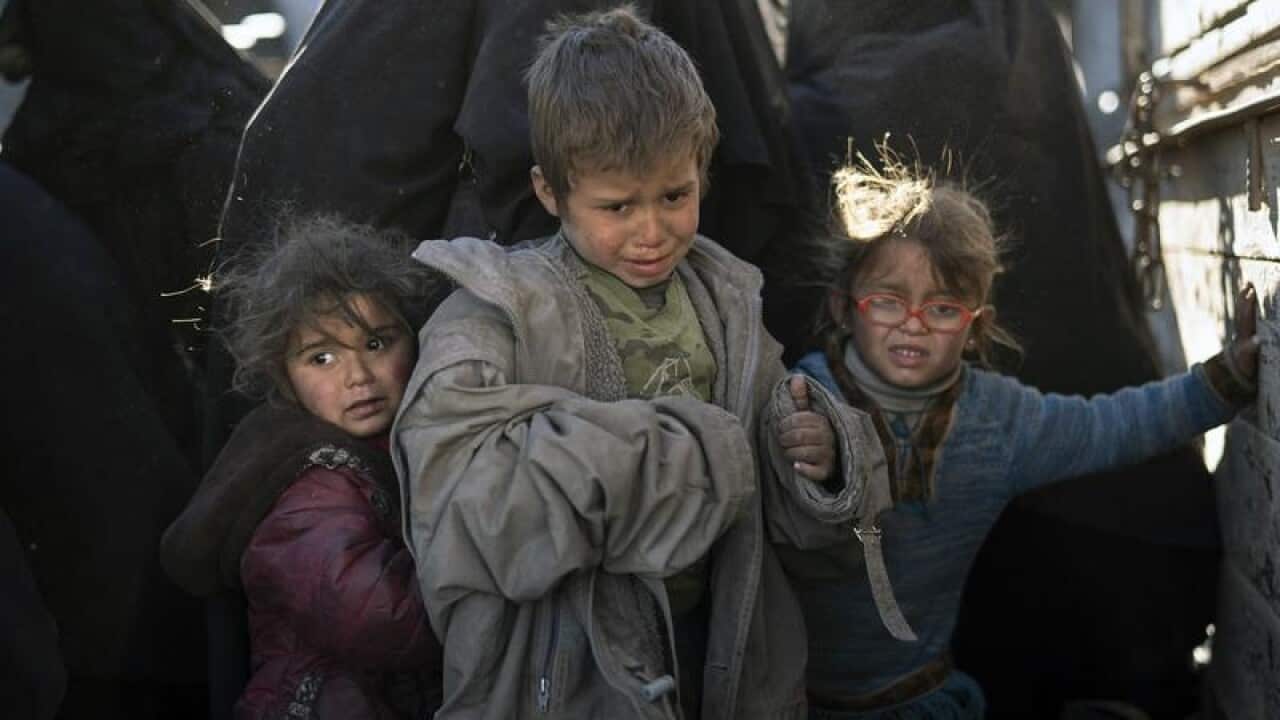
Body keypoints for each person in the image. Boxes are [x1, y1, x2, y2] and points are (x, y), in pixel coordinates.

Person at [392, 6, 891, 718]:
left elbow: (785, 509)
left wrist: (818, 457)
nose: (652, 231)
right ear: (549, 191)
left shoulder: (726, 300)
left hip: (715, 652)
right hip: (569, 679)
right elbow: (462, 513)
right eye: (618, 207)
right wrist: (684, 453)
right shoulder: (494, 316)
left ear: (702, 175)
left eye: (674, 196)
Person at [781, 152, 1260, 719]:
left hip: (921, 700)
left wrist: (1223, 381)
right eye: (887, 300)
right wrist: (807, 459)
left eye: (942, 308)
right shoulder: (801, 394)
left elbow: (1112, 425)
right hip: (785, 702)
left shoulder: (999, 421)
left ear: (975, 327)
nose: (913, 323)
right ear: (843, 307)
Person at [160, 216, 444, 720]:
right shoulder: (308, 491)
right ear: (282, 374)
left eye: (377, 343)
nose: (358, 376)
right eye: (322, 358)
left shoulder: (393, 440)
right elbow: (382, 618)